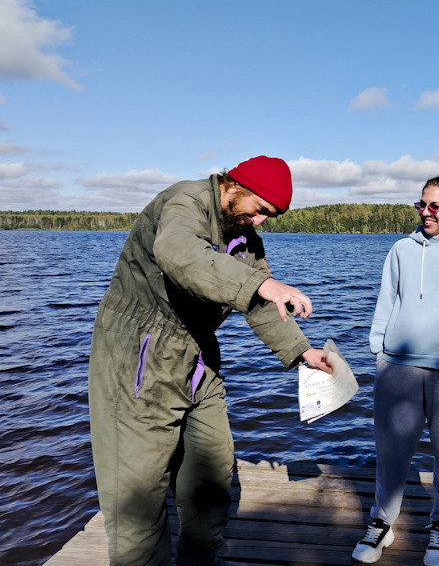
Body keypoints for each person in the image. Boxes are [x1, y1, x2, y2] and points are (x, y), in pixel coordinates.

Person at [88, 155, 332, 566]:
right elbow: (177, 250)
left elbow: (257, 302)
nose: (262, 221)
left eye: (271, 216)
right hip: (138, 361)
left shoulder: (243, 235)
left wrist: (302, 351)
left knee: (214, 479)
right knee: (138, 502)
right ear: (235, 185)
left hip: (198, 362)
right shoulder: (184, 201)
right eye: (262, 210)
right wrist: (263, 283)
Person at [352, 176, 439, 566]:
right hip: (398, 367)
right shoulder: (401, 248)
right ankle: (382, 523)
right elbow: (387, 299)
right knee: (391, 451)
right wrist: (379, 352)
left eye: (435, 206)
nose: (426, 212)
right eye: (421, 204)